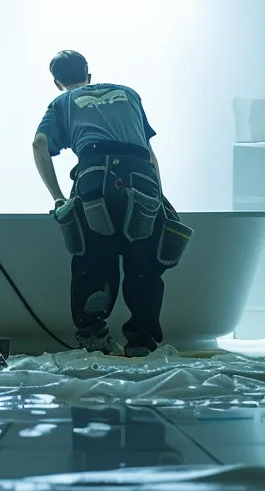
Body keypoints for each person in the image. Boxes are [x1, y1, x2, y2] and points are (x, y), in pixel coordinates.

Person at [32, 50, 188, 357]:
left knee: (94, 260)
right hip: (139, 176)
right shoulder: (128, 94)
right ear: (88, 74)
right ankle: (141, 343)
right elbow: (148, 152)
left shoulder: (62, 102)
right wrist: (158, 197)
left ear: (56, 81)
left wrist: (59, 198)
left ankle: (94, 339)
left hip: (93, 179)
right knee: (144, 262)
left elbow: (39, 143)